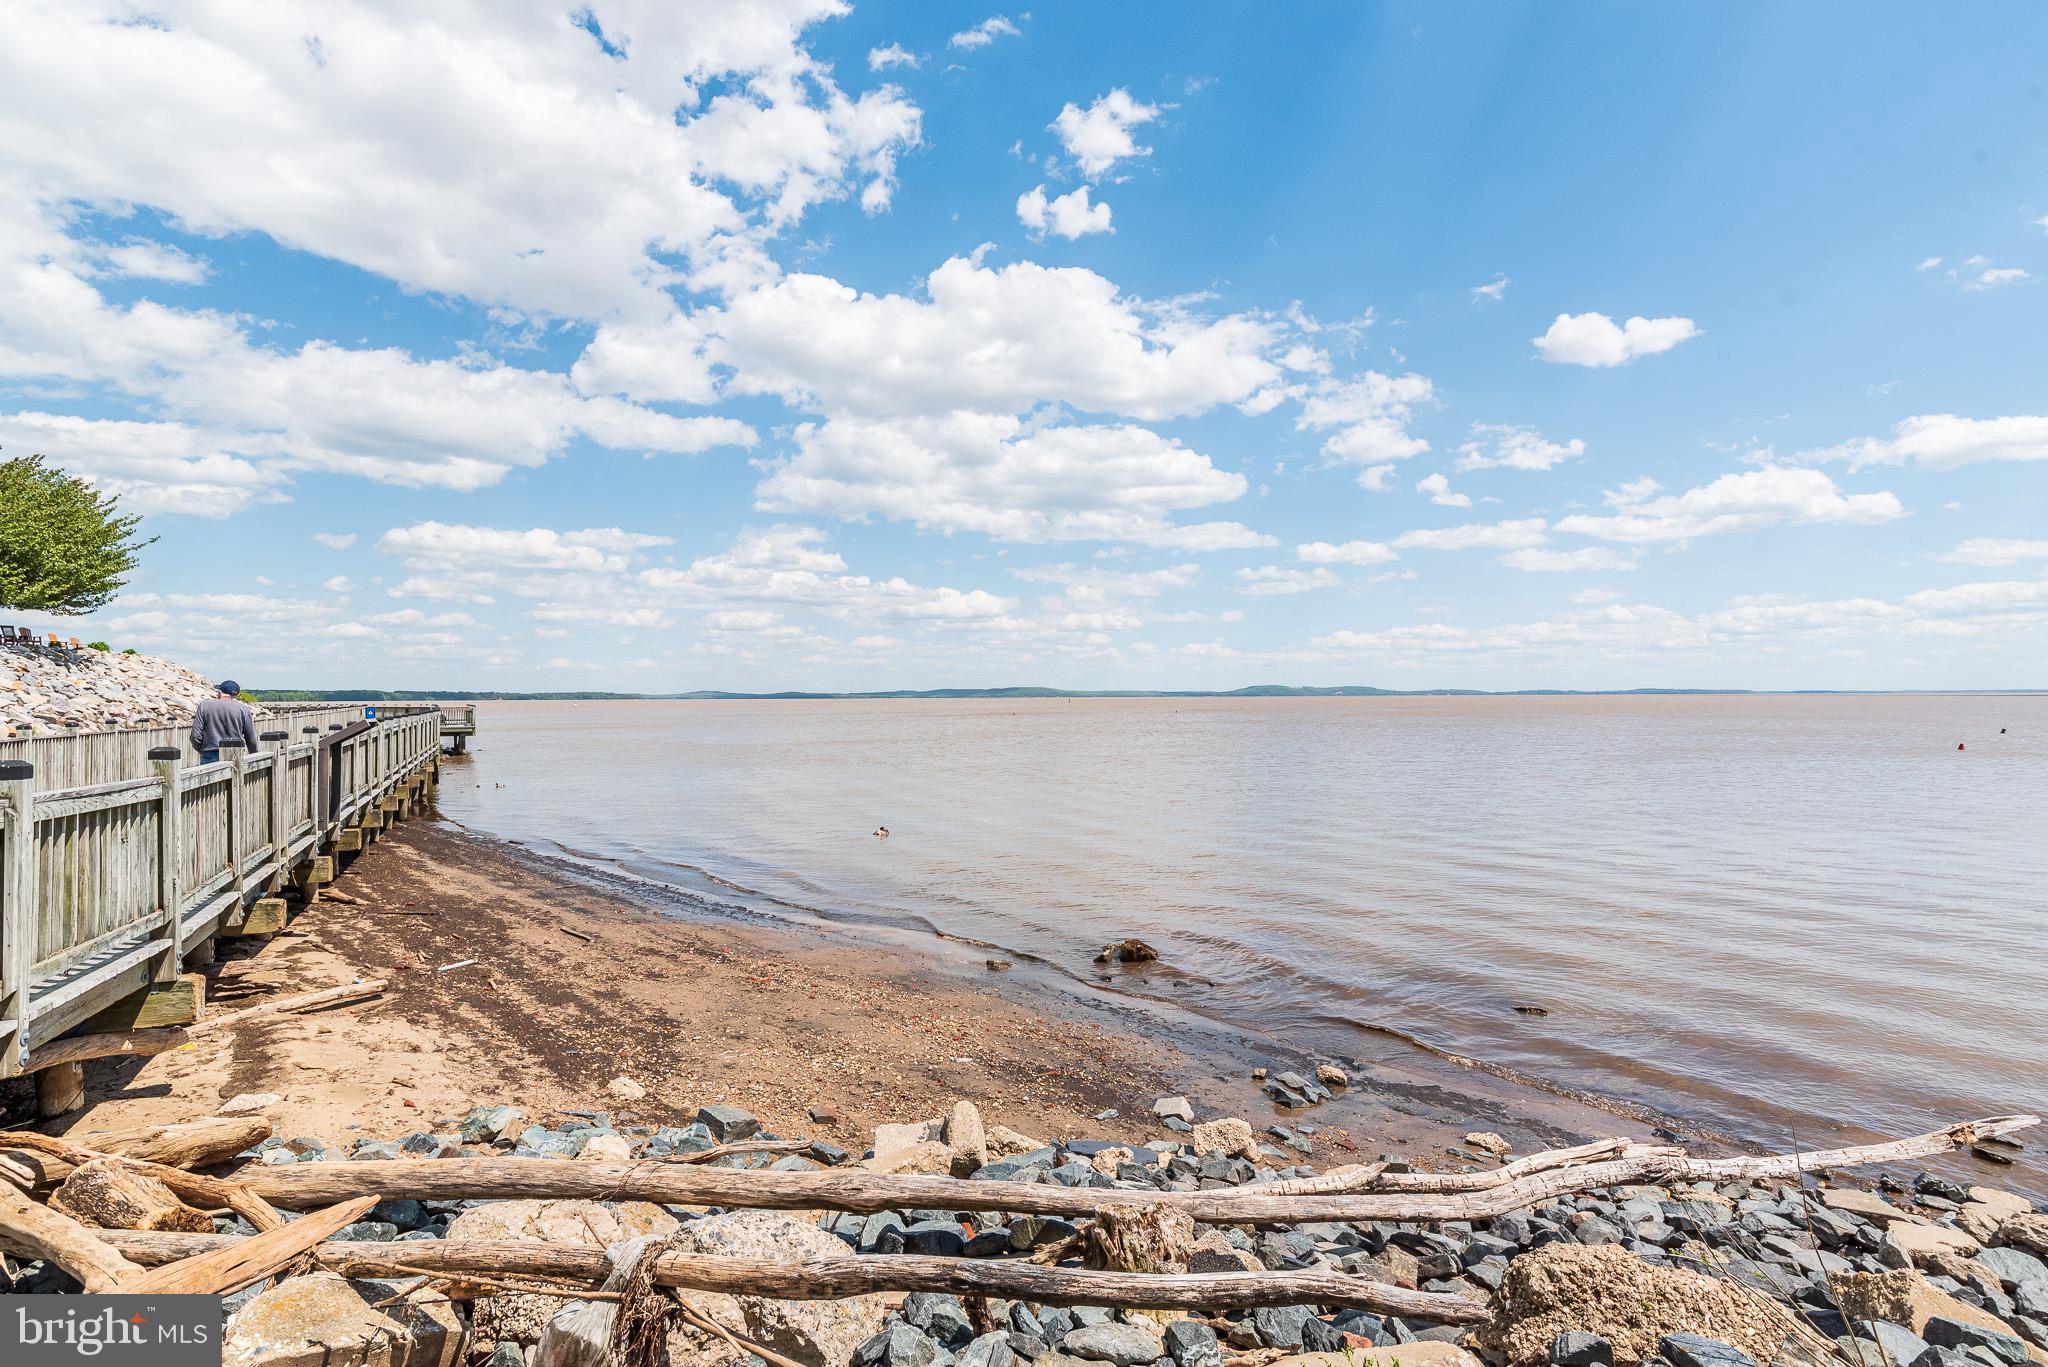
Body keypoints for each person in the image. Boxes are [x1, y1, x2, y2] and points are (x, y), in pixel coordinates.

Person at [191, 679, 259, 763]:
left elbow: (195, 735)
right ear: (236, 695)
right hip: (236, 754)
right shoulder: (244, 709)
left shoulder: (204, 705)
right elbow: (251, 739)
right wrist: (254, 756)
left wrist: (201, 749)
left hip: (210, 753)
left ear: (219, 692)